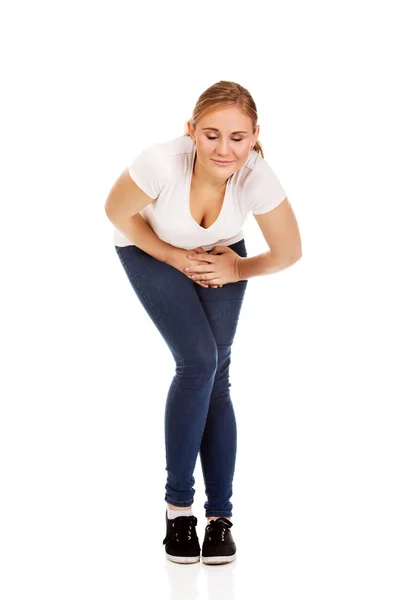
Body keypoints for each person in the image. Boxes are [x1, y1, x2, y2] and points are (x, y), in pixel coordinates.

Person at [104, 80, 302, 565]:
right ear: (191, 130)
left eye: (237, 137)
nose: (224, 148)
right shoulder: (159, 162)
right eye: (211, 134)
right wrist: (173, 257)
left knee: (218, 375)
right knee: (197, 361)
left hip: (221, 254)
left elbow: (289, 251)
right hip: (147, 244)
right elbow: (116, 211)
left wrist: (236, 267)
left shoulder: (257, 175)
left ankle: (219, 519)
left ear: (255, 135)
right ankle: (178, 512)